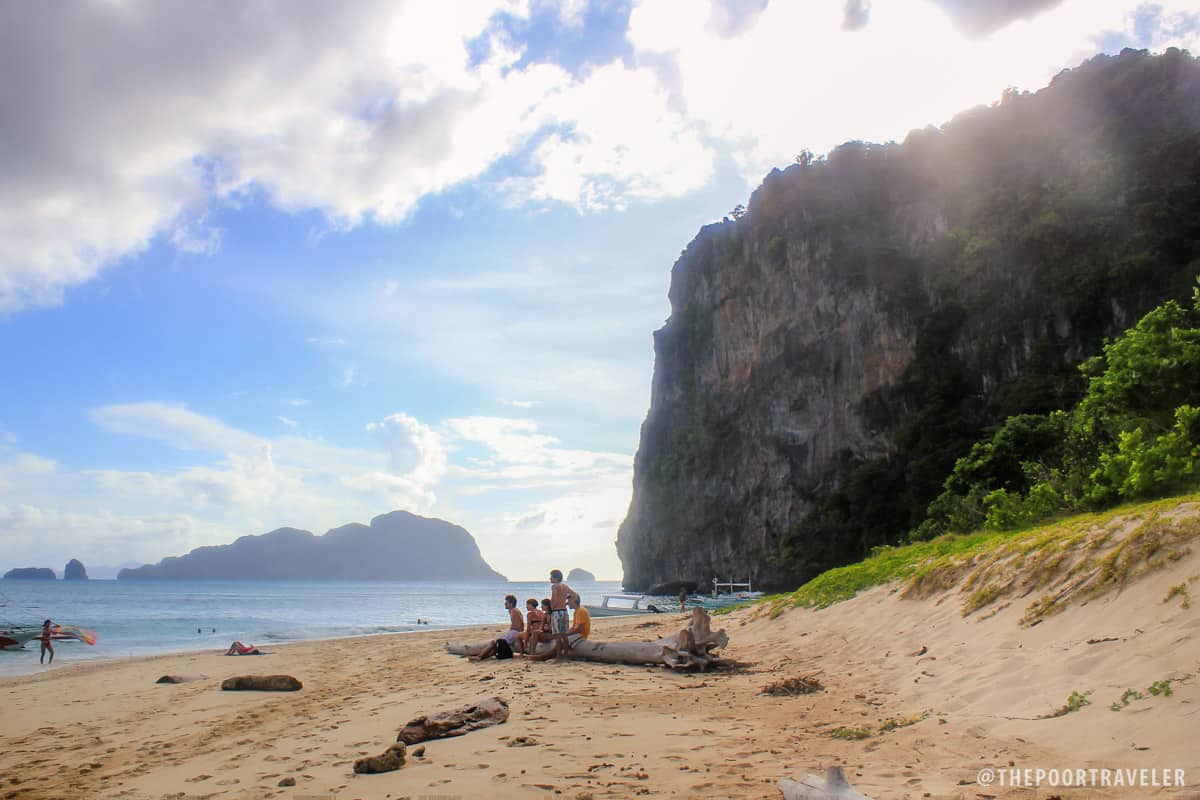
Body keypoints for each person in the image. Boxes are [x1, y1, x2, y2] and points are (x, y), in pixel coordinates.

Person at [528, 593, 590, 661]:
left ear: (574, 600)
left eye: (568, 600)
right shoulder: (577, 611)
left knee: (560, 640)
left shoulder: (581, 611)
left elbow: (579, 629)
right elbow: (574, 627)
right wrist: (566, 632)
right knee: (559, 638)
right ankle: (543, 656)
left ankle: (544, 657)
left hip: (580, 635)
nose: (567, 602)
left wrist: (565, 634)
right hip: (576, 634)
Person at [469, 595, 524, 662]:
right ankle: (482, 656)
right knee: (496, 644)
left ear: (511, 604)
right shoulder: (513, 610)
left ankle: (479, 657)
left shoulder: (514, 611)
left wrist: (517, 634)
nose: (505, 604)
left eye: (506, 603)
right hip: (513, 632)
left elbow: (520, 624)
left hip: (514, 632)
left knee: (494, 642)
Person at [546, 569, 576, 659]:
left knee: (557, 636)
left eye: (551, 577)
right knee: (564, 635)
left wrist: (552, 606)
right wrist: (566, 602)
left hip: (556, 612)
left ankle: (559, 656)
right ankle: (566, 654)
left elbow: (554, 597)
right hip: (564, 611)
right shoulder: (565, 586)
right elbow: (574, 595)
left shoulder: (554, 586)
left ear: (555, 578)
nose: (549, 579)